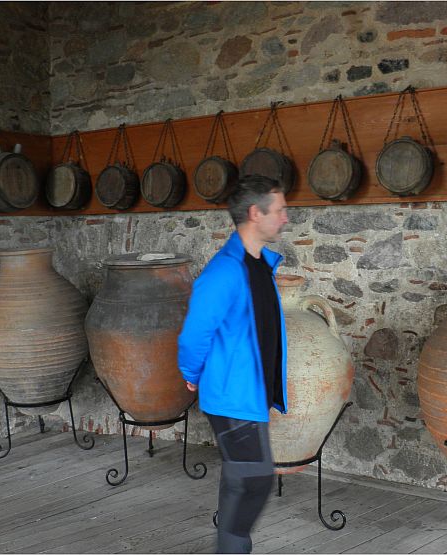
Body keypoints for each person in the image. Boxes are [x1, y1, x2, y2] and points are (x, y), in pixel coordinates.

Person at [178, 175, 289, 554]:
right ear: (256, 213)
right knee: (254, 481)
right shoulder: (224, 271)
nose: (285, 218)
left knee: (242, 478)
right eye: (280, 210)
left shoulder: (259, 264)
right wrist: (191, 374)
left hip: (248, 393)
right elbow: (194, 334)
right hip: (231, 396)